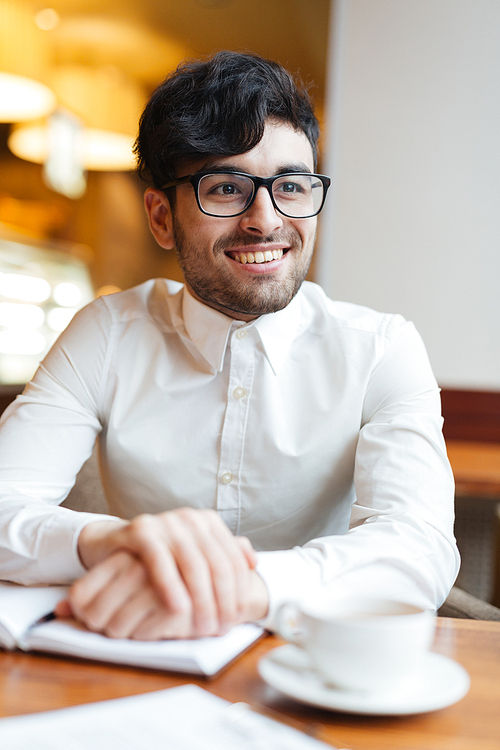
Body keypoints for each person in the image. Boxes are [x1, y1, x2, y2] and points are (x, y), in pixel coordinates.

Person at [0, 51, 459, 641]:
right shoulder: (107, 332)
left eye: (291, 186)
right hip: (134, 662)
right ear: (162, 218)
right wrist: (105, 541)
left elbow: (419, 548)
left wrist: (242, 590)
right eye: (225, 188)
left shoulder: (380, 350)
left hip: (308, 668)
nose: (265, 221)